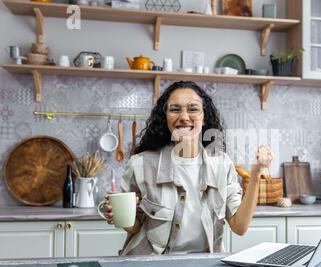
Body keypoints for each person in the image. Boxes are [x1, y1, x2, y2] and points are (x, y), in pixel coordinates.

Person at [103, 81, 273, 255]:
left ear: (204, 116)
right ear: (165, 117)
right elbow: (134, 226)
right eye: (175, 109)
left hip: (204, 266)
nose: (184, 117)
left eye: (193, 109)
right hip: (151, 265)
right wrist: (121, 218)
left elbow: (240, 227)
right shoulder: (141, 164)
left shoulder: (222, 164)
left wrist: (256, 173)